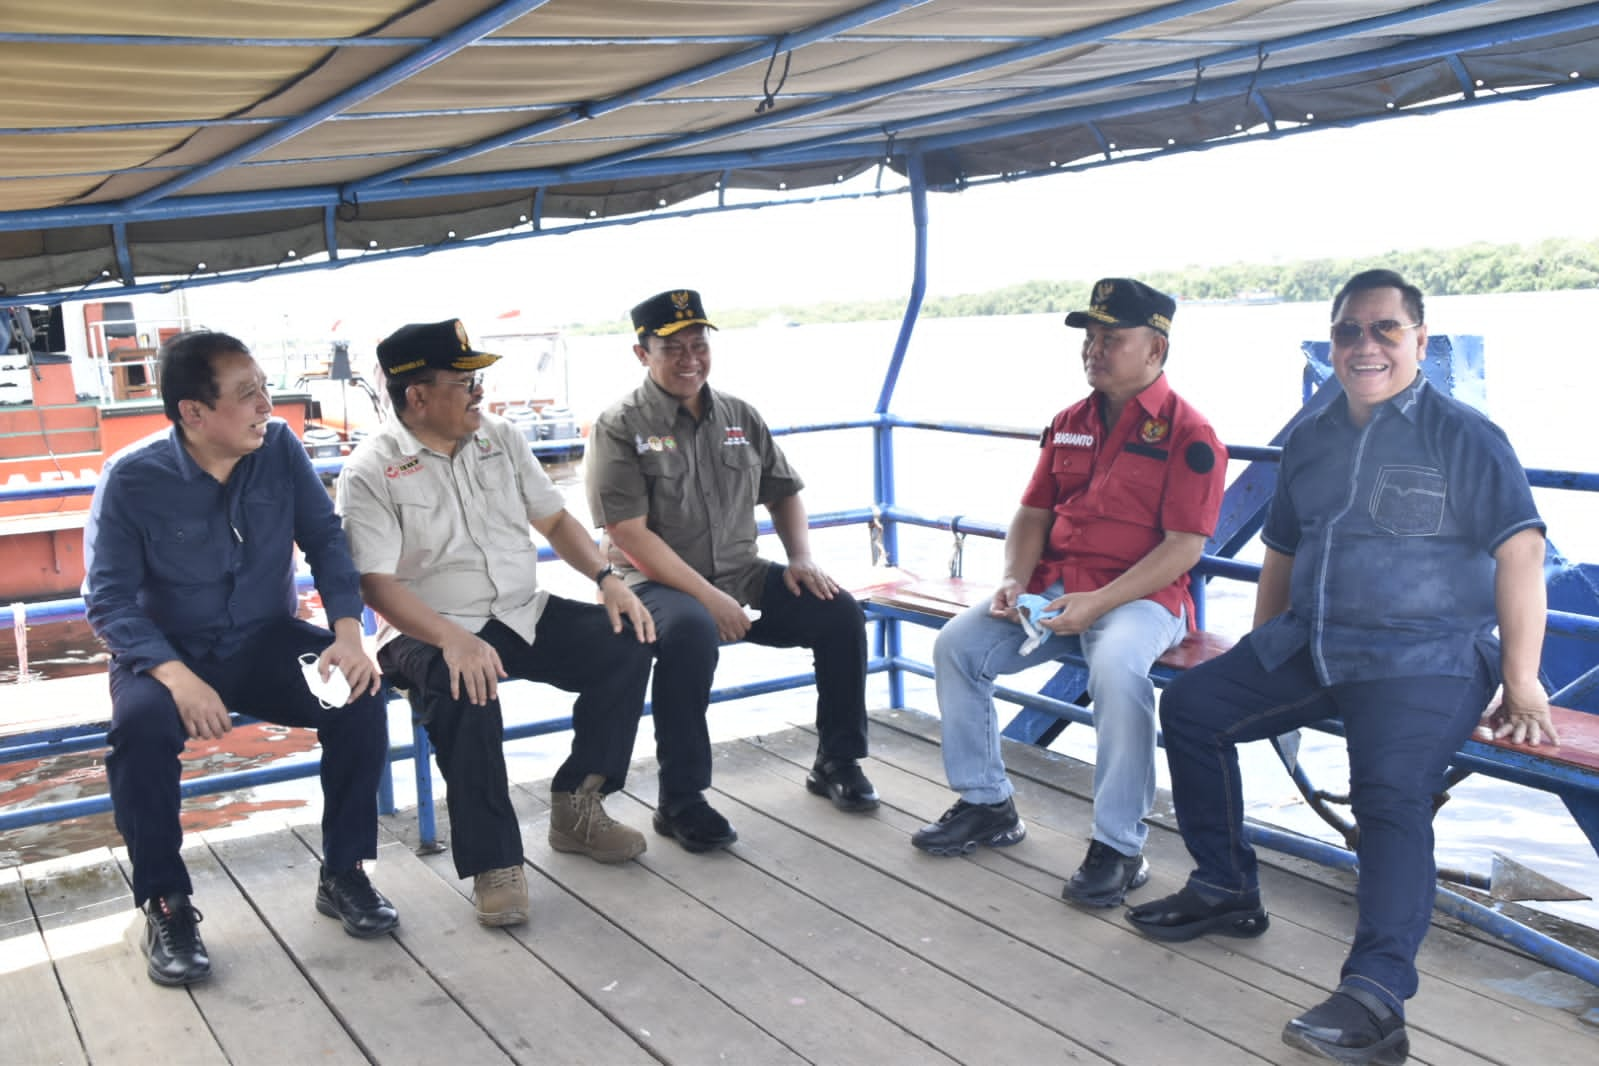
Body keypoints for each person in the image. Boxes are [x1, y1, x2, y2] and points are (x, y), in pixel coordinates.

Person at [1127, 269, 1555, 1065]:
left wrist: (1522, 679)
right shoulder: (1316, 435)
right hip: (1315, 643)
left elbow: (1520, 553)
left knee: (1387, 792)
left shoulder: (1464, 435)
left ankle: (1376, 996)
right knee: (1190, 711)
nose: (1365, 345)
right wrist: (1256, 644)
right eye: (1348, 331)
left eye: (1385, 329)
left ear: (1419, 342)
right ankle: (1224, 888)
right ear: (1332, 343)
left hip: (1424, 658)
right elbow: (1282, 549)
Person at [84, 331, 398, 988]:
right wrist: (174, 676)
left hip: (264, 641)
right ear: (194, 413)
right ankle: (166, 904)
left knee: (361, 695)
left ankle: (343, 873)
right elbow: (109, 599)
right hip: (167, 657)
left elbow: (325, 541)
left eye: (263, 387)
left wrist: (347, 631)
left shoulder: (278, 447)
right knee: (138, 732)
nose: (267, 404)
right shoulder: (132, 478)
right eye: (247, 393)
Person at [911, 278, 1227, 911]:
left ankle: (1120, 845)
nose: (1094, 349)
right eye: (1090, 337)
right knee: (958, 646)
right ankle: (986, 803)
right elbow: (1032, 514)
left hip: (1143, 598)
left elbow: (1184, 547)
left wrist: (1101, 602)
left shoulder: (1190, 435)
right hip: (1055, 588)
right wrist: (1013, 581)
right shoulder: (1070, 422)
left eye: (1113, 338)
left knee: (1114, 667)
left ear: (1156, 349)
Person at [338, 319, 656, 928]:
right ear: (418, 396)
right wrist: (453, 639)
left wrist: (607, 580)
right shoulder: (370, 469)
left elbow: (555, 520)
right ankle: (495, 863)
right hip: (424, 627)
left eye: (478, 378)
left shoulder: (501, 437)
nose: (479, 391)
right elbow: (376, 584)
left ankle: (579, 804)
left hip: (518, 610)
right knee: (467, 687)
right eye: (464, 382)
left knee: (626, 641)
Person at [584, 289, 878, 853]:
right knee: (690, 633)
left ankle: (837, 760)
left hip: (741, 573)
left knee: (837, 613)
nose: (690, 358)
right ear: (641, 354)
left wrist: (800, 558)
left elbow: (784, 490)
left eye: (699, 344)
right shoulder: (620, 425)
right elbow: (628, 533)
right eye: (673, 348)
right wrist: (708, 601)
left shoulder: (739, 415)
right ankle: (682, 799)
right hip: (654, 583)